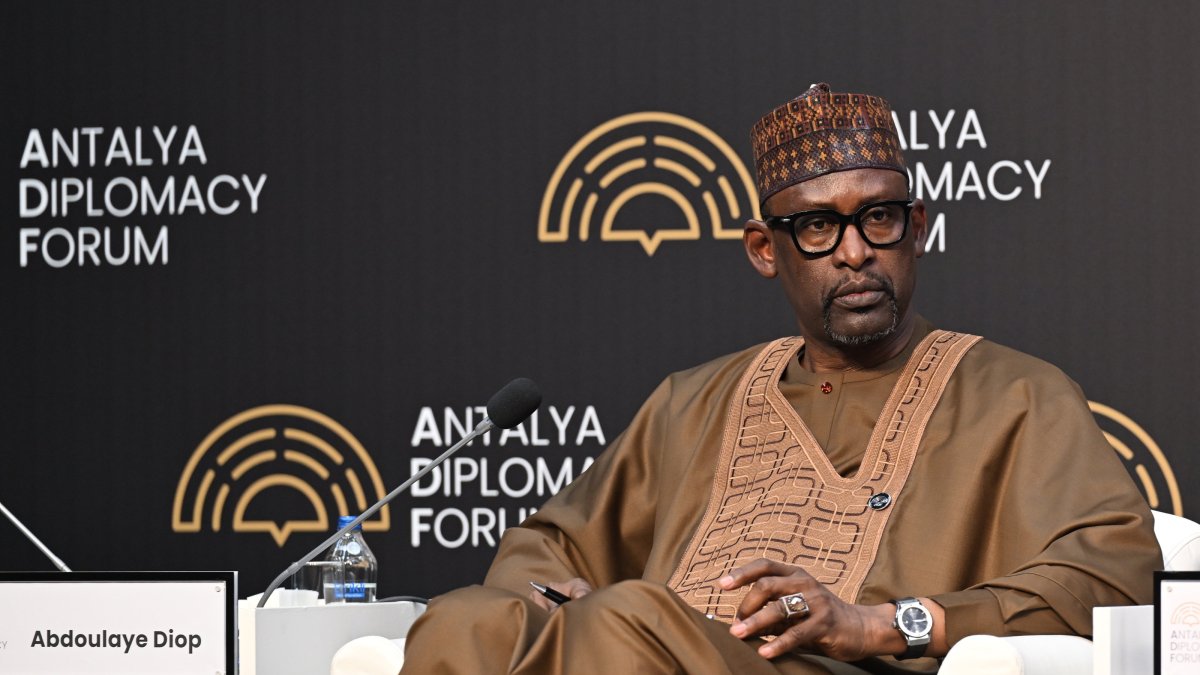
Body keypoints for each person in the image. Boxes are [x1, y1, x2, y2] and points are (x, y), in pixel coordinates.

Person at [400, 84, 1161, 674]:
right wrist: (551, 595)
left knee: (627, 618)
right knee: (464, 619)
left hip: (837, 666)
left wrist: (879, 623)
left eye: (880, 219)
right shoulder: (690, 400)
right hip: (644, 648)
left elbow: (1117, 574)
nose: (856, 252)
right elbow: (550, 544)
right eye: (819, 227)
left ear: (917, 228)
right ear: (767, 248)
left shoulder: (1016, 394)